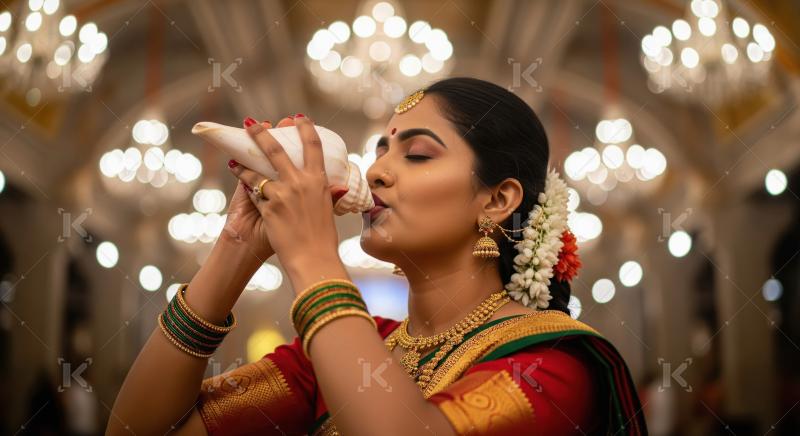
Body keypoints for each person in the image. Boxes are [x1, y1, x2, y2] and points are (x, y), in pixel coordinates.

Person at [107, 77, 647, 435]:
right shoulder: (341, 355)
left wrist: (314, 258)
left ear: (497, 200)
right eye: (380, 151)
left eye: (418, 154)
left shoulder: (553, 363)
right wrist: (235, 248)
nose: (376, 172)